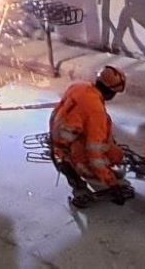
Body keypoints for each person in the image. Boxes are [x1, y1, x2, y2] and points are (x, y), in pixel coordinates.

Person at [50, 65, 135, 208]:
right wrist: (112, 183)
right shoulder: (96, 111)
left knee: (109, 145)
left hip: (58, 142)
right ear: (111, 92)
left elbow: (57, 113)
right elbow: (94, 154)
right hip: (68, 151)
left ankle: (71, 169)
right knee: (113, 156)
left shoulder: (79, 87)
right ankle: (78, 174)